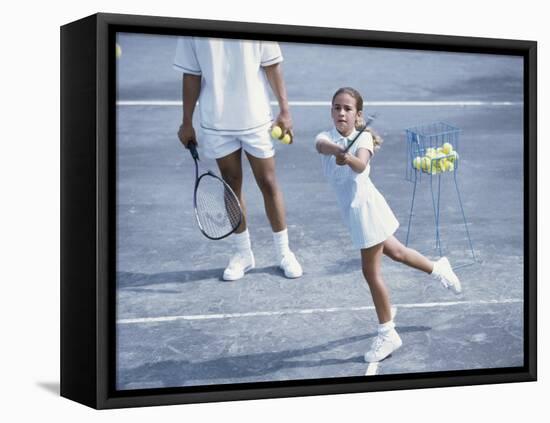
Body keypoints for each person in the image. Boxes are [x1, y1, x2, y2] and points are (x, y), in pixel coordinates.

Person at [315, 87, 462, 363]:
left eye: (347, 109)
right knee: (398, 252)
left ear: (358, 115)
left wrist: (346, 157)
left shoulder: (365, 138)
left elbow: (360, 164)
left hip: (366, 211)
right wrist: (337, 149)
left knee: (371, 273)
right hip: (358, 210)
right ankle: (438, 268)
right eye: (337, 107)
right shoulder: (325, 137)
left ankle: (387, 333)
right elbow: (321, 146)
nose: (341, 112)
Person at [174, 37, 302, 281]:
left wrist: (285, 111)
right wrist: (186, 121)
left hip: (256, 118)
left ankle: (284, 252)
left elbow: (272, 65)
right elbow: (191, 75)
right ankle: (243, 253)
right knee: (231, 184)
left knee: (268, 181)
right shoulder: (190, 28)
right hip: (216, 121)